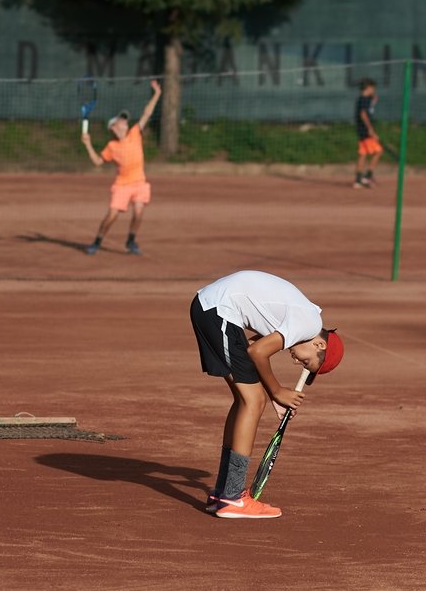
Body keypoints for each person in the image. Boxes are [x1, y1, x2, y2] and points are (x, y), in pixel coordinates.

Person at [190, 270, 345, 518]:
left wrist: (274, 396)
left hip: (212, 308)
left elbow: (251, 347)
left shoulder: (301, 317)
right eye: (307, 363)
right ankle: (233, 498)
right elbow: (257, 353)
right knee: (254, 400)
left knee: (247, 399)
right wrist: (276, 391)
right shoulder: (309, 324)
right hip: (219, 310)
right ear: (319, 345)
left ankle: (223, 493)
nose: (299, 363)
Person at [81, 79, 161, 255]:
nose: (125, 122)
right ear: (113, 127)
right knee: (112, 215)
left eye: (124, 120)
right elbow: (97, 162)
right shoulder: (112, 146)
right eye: (121, 120)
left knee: (139, 212)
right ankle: (97, 241)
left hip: (139, 182)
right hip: (122, 185)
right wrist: (87, 144)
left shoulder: (134, 133)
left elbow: (147, 113)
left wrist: (157, 94)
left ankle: (131, 241)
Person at [353, 78, 382, 188]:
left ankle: (358, 179)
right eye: (373, 88)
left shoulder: (364, 99)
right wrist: (370, 129)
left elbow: (368, 109)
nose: (374, 90)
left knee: (363, 154)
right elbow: (363, 114)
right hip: (365, 131)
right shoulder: (364, 99)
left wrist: (373, 101)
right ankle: (368, 175)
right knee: (378, 151)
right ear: (368, 88)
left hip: (361, 130)